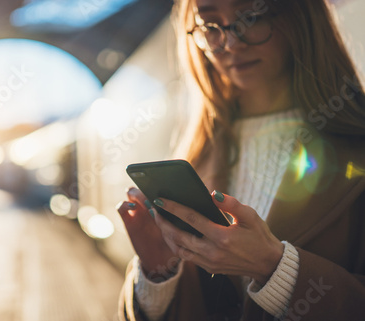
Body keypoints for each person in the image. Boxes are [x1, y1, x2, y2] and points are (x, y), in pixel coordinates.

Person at [117, 0, 365, 320]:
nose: (232, 43)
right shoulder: (193, 157)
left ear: (302, 17)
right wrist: (157, 273)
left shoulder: (357, 147)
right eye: (210, 26)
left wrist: (273, 266)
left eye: (253, 17)